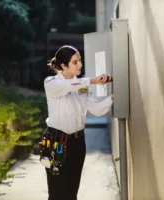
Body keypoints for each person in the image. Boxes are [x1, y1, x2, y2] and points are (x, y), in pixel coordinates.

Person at [43, 45, 114, 200]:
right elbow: (67, 86)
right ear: (63, 66)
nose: (80, 65)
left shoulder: (83, 88)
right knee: (56, 193)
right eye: (75, 62)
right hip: (56, 141)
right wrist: (93, 81)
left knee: (71, 191)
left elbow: (96, 109)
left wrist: (112, 98)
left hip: (77, 142)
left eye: (80, 61)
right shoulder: (51, 83)